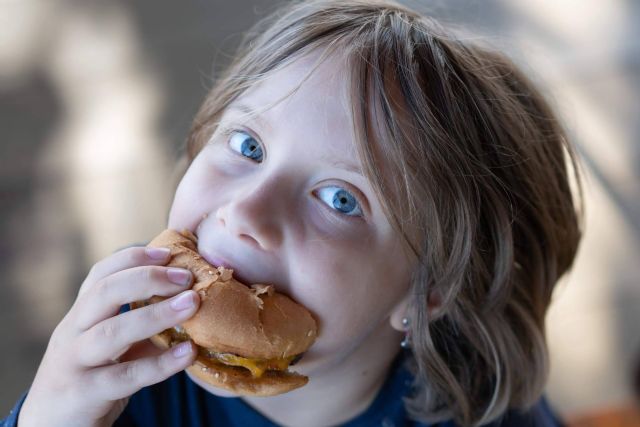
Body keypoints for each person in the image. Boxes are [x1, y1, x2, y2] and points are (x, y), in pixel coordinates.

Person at [2, 0, 584, 426]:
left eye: (341, 199)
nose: (247, 212)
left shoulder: (486, 414)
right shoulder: (121, 373)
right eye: (248, 146)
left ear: (429, 291)